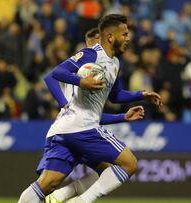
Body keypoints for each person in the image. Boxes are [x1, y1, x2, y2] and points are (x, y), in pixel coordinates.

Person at [18, 14, 162, 203]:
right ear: (111, 36)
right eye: (125, 34)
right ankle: (80, 201)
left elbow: (115, 95)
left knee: (47, 184)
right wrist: (81, 82)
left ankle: (59, 197)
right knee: (129, 164)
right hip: (83, 127)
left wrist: (141, 95)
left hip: (64, 130)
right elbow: (57, 73)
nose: (128, 38)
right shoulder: (92, 54)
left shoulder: (115, 64)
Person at [43, 27, 147, 203]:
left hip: (74, 127)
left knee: (108, 171)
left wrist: (126, 112)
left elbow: (100, 110)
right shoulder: (83, 70)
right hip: (76, 128)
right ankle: (74, 199)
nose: (98, 45)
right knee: (123, 166)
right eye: (95, 42)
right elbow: (51, 77)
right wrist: (65, 105)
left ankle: (59, 196)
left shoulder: (108, 66)